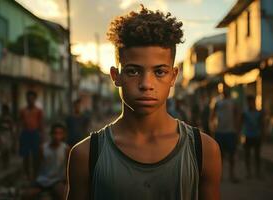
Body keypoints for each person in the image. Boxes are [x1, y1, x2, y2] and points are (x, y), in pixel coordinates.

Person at [66, 5, 221, 200]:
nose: (146, 84)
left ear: (173, 76)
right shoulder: (85, 155)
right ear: (116, 76)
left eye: (159, 72)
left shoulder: (204, 150)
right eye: (133, 71)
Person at [22, 123, 69, 200]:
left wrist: (66, 181)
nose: (57, 136)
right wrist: (33, 179)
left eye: (60, 133)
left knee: (63, 196)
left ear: (63, 135)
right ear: (51, 134)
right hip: (43, 179)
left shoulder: (65, 149)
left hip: (57, 180)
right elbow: (37, 165)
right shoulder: (43, 148)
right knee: (26, 195)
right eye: (55, 133)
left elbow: (68, 167)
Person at [210, 82, 240, 183]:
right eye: (222, 88)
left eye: (225, 88)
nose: (224, 90)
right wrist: (212, 128)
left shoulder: (233, 102)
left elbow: (237, 115)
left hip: (231, 132)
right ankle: (220, 176)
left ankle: (232, 175)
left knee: (231, 155)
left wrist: (237, 129)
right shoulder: (217, 101)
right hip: (220, 132)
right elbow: (212, 116)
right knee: (220, 156)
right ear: (220, 89)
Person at [19, 90, 44, 181]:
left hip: (35, 134)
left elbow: (41, 124)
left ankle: (35, 175)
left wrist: (41, 138)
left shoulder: (38, 111)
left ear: (35, 99)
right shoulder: (23, 110)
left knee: (36, 156)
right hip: (25, 134)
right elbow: (20, 123)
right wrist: (17, 137)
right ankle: (27, 174)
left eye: (32, 98)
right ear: (26, 99)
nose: (30, 100)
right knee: (25, 156)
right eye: (28, 98)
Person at [242, 95, 263, 179]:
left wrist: (263, 134)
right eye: (249, 102)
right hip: (248, 136)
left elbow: (262, 124)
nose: (250, 103)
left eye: (251, 101)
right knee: (247, 155)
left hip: (256, 136)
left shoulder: (259, 113)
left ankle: (257, 172)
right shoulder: (245, 113)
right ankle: (249, 173)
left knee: (257, 156)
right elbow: (241, 123)